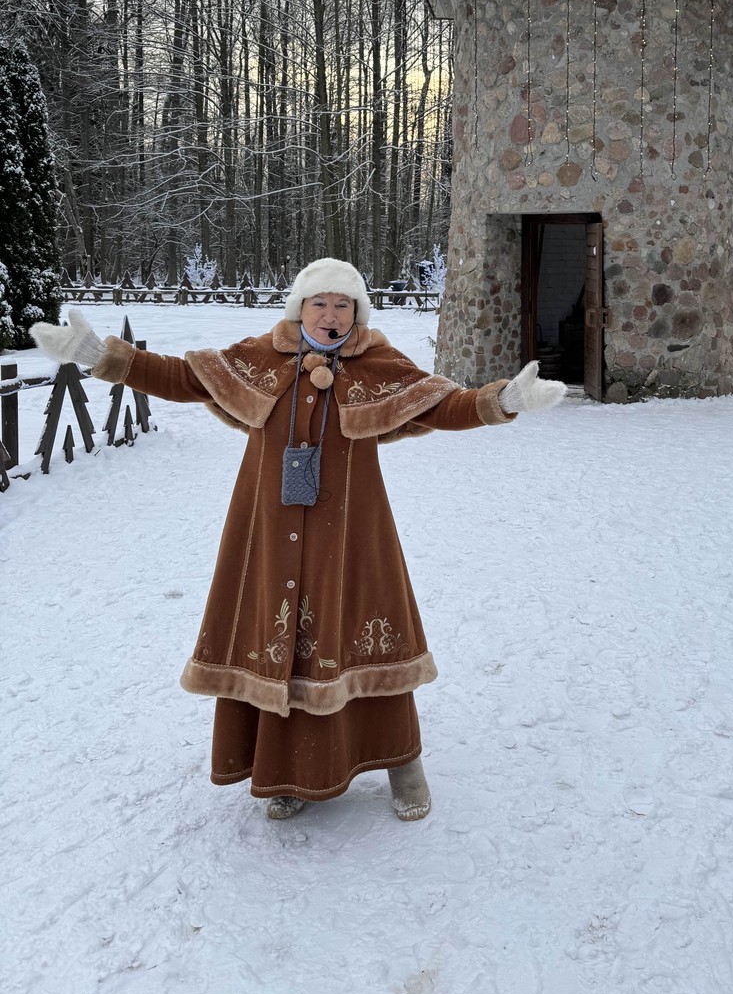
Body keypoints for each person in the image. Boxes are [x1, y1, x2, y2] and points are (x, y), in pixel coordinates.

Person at [31, 257, 566, 821]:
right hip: (266, 529)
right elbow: (184, 377)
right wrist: (98, 355)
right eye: (320, 302)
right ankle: (284, 772)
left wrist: (502, 401)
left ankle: (403, 763)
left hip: (354, 536)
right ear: (300, 308)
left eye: (343, 305)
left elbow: (441, 404)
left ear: (356, 313)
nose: (331, 314)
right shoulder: (260, 357)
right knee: (277, 637)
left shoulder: (380, 364)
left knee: (366, 634)